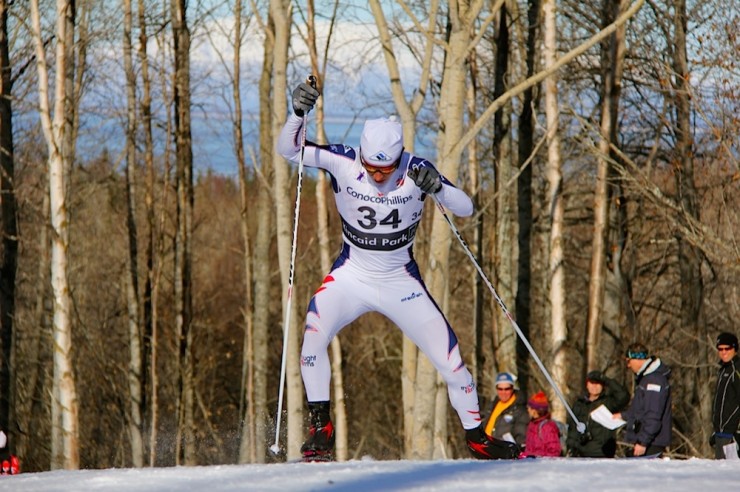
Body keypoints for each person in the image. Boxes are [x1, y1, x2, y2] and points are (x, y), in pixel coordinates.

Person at [277, 82, 519, 461]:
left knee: (452, 363)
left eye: (384, 168)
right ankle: (320, 428)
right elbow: (289, 150)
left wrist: (438, 187)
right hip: (351, 277)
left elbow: (466, 207)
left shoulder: (416, 169)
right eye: (371, 167)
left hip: (400, 283)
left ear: (399, 157)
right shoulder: (343, 160)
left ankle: (477, 438)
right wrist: (297, 113)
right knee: (312, 337)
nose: (376, 175)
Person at [613, 342, 672, 457]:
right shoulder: (646, 379)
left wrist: (643, 442)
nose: (628, 366)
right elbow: (640, 411)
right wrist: (623, 416)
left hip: (651, 443)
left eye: (628, 361)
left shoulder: (654, 381)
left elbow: (653, 415)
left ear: (637, 359)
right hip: (645, 440)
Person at [566, 370, 629, 457]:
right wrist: (571, 447)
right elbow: (573, 428)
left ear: (603, 385)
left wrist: (606, 380)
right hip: (581, 453)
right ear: (587, 384)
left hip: (602, 453)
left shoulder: (609, 402)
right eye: (592, 383)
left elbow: (623, 396)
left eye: (598, 383)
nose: (594, 386)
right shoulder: (579, 404)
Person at [710, 332, 740, 459]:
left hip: (733, 435)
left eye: (727, 348)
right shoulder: (723, 370)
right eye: (720, 349)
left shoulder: (736, 369)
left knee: (730, 474)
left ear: (735, 349)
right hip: (721, 434)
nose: (724, 352)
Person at [482, 372, 528, 449]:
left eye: (507, 389)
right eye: (500, 389)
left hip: (504, 453)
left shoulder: (519, 409)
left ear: (512, 388)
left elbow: (521, 435)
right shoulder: (492, 405)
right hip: (486, 450)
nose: (503, 392)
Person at [522, 391, 562, 457]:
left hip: (543, 464)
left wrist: (536, 456)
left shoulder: (547, 427)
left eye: (530, 408)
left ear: (536, 410)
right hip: (531, 463)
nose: (528, 410)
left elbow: (554, 451)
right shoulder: (532, 424)